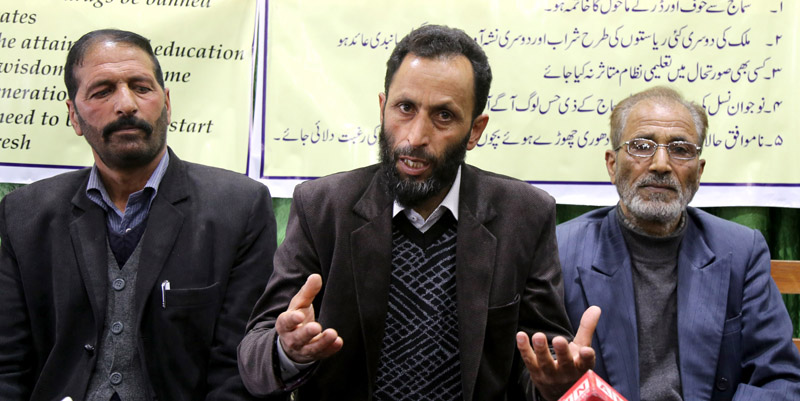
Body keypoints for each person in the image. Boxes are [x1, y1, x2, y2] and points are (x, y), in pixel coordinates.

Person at [238, 24, 599, 401]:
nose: (415, 137)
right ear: (382, 108)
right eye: (405, 108)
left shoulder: (523, 215)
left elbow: (541, 362)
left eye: (443, 115)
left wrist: (554, 385)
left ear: (475, 130)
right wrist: (288, 351)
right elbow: (253, 359)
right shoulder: (323, 207)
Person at [0, 29, 277, 400]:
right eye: (102, 91)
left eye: (141, 87)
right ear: (74, 116)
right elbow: (7, 365)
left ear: (167, 103)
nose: (126, 104)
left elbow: (239, 368)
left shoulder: (238, 208)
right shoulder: (26, 214)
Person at [557, 86, 800, 400]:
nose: (660, 164)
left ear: (698, 172)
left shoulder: (741, 251)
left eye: (681, 149)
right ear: (612, 164)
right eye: (641, 146)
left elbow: (779, 378)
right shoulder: (561, 250)